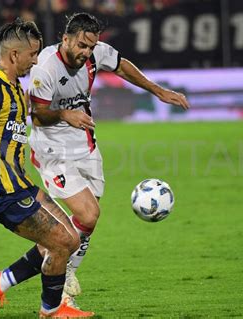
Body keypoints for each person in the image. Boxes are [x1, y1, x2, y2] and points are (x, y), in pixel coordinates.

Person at [28, 12, 190, 305]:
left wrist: (158, 90)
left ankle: (8, 277)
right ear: (65, 39)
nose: (86, 52)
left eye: (91, 47)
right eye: (81, 45)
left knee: (83, 222)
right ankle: (59, 287)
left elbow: (122, 67)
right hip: (52, 150)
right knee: (89, 214)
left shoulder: (95, 53)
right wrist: (65, 114)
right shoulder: (45, 66)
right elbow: (37, 115)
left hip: (85, 146)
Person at [0, 18, 94, 318]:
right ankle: (50, 311)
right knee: (61, 242)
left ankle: (0, 281)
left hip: (20, 184)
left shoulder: (14, 86)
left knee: (71, 239)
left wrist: (62, 112)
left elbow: (33, 113)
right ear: (14, 55)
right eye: (32, 54)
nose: (36, 60)